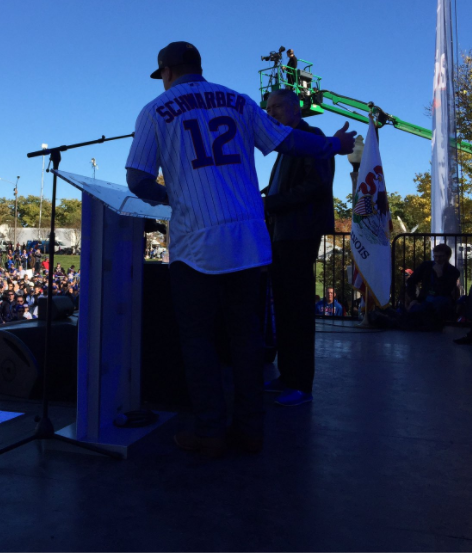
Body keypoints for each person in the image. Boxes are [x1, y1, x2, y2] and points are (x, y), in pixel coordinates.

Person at [125, 41, 356, 457]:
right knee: (246, 339)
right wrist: (332, 146)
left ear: (168, 72)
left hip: (195, 244)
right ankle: (250, 431)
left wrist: (171, 195)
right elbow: (287, 140)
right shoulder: (239, 101)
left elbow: (137, 179)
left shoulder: (156, 110)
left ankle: (211, 431)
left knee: (199, 341)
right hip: (248, 243)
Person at [262, 86, 335, 407]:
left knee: (297, 312)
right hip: (284, 235)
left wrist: (272, 203)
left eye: (276, 107)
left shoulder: (311, 137)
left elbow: (316, 186)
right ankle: (289, 376)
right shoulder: (288, 146)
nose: (270, 114)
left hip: (299, 233)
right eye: (268, 109)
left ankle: (301, 385)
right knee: (287, 310)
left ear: (295, 108)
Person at [404, 243, 460, 326]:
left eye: (441, 256)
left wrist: (440, 276)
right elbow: (411, 281)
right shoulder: (426, 266)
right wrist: (413, 299)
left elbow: (446, 290)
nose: (437, 259)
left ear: (447, 257)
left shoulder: (453, 271)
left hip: (441, 299)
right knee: (414, 311)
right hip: (425, 298)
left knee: (439, 304)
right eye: (435, 256)